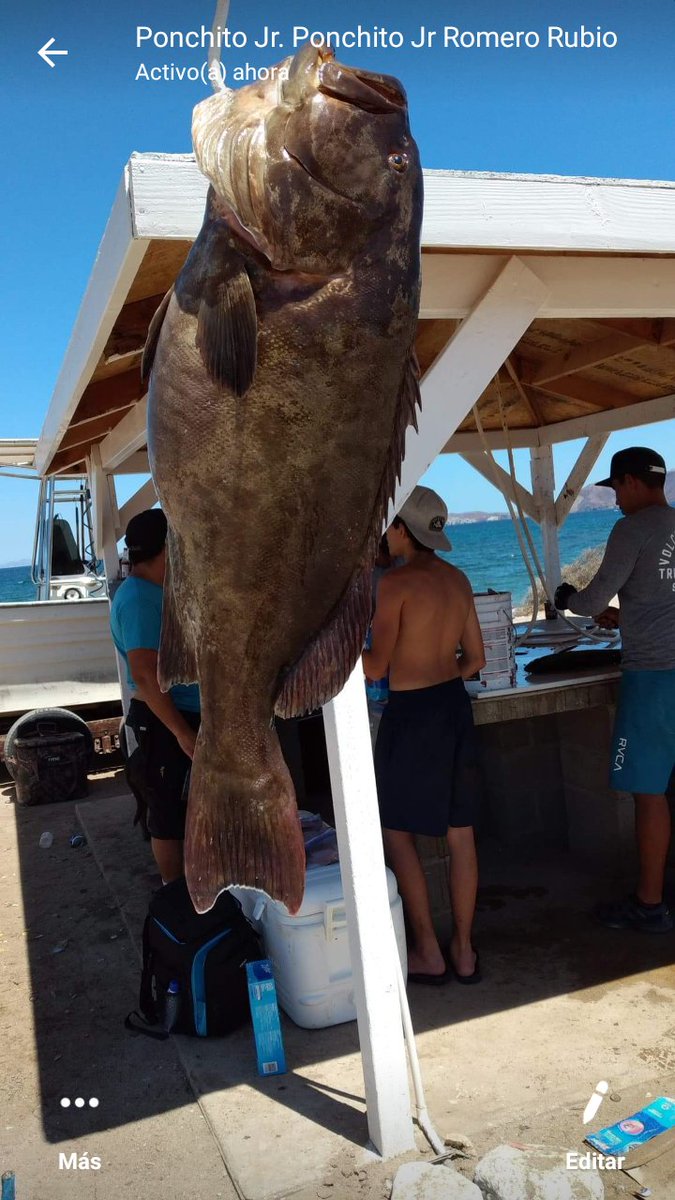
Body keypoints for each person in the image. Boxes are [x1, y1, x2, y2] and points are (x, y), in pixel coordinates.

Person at [363, 485, 486, 984]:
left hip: (411, 715)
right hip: (452, 710)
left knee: (398, 832)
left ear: (400, 530)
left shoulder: (394, 585)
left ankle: (430, 953)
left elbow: (375, 668)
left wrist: (343, 638)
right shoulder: (458, 580)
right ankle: (465, 952)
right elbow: (475, 659)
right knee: (461, 835)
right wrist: (440, 679)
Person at [554, 447, 675, 933]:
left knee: (649, 795)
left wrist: (566, 597)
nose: (615, 501)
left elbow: (590, 600)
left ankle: (649, 906)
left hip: (653, 680)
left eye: (615, 490)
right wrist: (631, 618)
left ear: (629, 482)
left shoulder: (632, 528)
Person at [110, 509, 200, 884]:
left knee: (187, 811)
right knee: (168, 817)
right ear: (168, 547)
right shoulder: (139, 600)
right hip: (165, 722)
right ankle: (175, 897)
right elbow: (146, 676)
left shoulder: (158, 591)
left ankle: (194, 889)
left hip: (180, 716)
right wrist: (182, 733)